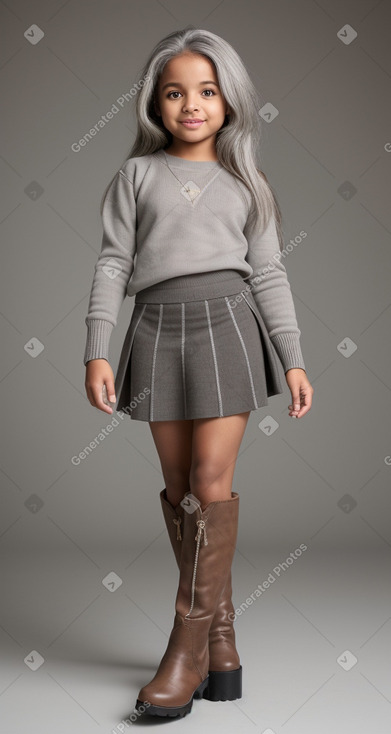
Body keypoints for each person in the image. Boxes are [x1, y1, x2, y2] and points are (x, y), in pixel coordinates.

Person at [83, 27, 314, 719]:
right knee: (182, 489)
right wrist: (97, 346)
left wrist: (294, 357)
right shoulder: (136, 176)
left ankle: (183, 650)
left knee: (211, 486)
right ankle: (223, 647)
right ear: (155, 104)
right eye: (175, 91)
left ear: (229, 101)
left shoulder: (248, 182)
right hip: (155, 330)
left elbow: (269, 273)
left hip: (227, 328)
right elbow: (112, 264)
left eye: (207, 91)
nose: (192, 104)